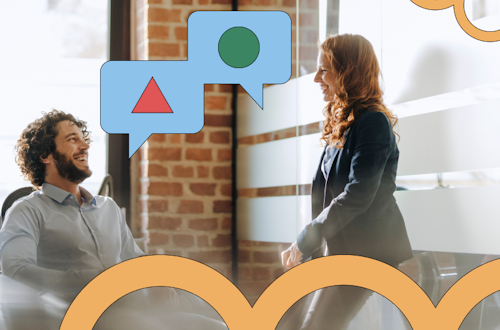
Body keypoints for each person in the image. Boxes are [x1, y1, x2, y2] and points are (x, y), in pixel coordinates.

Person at [0, 110, 225, 330]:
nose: (85, 145)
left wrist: (155, 281)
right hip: (84, 316)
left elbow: (134, 260)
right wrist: (96, 282)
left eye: (83, 138)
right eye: (72, 139)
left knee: (220, 320)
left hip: (137, 308)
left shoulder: (108, 207)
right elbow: (16, 269)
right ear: (45, 156)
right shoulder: (27, 211)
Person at [281, 34, 413, 330]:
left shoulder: (372, 123)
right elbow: (327, 193)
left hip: (367, 251)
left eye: (324, 70)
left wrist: (306, 239)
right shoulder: (345, 123)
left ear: (348, 72)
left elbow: (357, 195)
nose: (316, 78)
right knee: (286, 322)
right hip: (340, 249)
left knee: (315, 327)